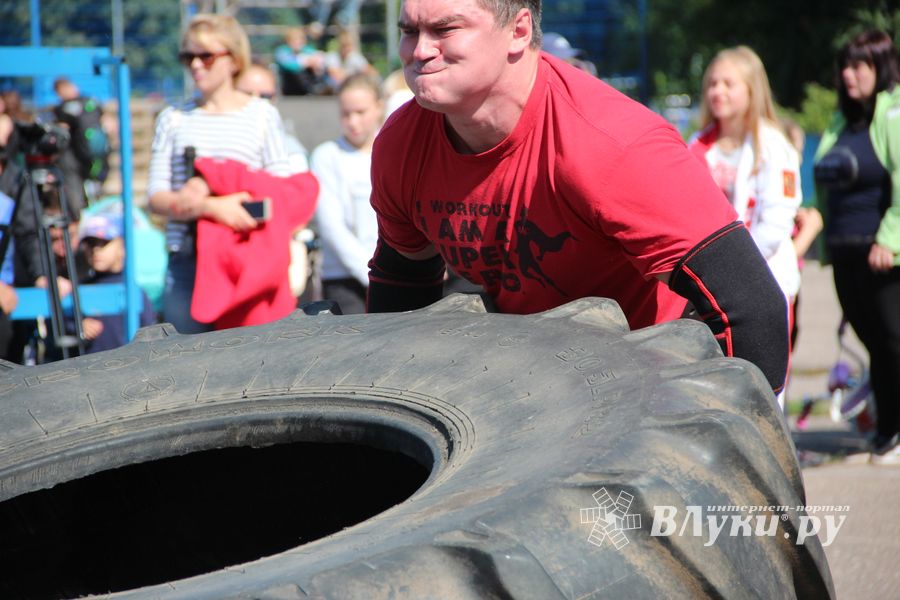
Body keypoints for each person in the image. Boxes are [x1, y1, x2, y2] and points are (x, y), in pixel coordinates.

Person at [368, 0, 789, 395]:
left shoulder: (612, 145)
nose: (419, 51)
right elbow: (398, 303)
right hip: (533, 385)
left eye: (445, 29)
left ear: (518, 31)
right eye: (409, 31)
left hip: (646, 388)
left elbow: (754, 313)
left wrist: (714, 445)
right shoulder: (401, 145)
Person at [147, 13, 294, 334]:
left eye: (206, 56)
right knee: (185, 368)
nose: (196, 65)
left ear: (233, 59)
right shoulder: (173, 118)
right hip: (187, 260)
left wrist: (217, 189)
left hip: (245, 258)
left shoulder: (261, 116)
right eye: (187, 56)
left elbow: (283, 192)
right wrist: (210, 208)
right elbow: (156, 198)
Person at [813, 30, 900, 464]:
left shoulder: (894, 113)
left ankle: (892, 433)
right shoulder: (841, 120)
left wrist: (890, 238)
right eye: (844, 66)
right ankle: (887, 430)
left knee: (893, 342)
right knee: (875, 345)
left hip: (884, 257)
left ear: (880, 67)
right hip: (845, 255)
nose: (849, 75)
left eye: (859, 66)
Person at [690, 46, 802, 308]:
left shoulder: (774, 145)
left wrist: (734, 270)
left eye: (728, 84)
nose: (718, 92)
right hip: (711, 285)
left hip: (766, 280)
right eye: (713, 84)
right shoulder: (697, 144)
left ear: (752, 90)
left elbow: (776, 223)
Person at [310, 73, 383, 314]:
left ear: (378, 109)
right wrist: (371, 273)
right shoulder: (326, 156)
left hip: (393, 275)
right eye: (345, 113)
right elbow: (332, 228)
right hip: (344, 280)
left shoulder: (392, 151)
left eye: (360, 112)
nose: (353, 122)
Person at [74, 210, 156, 354]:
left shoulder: (133, 290)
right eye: (91, 244)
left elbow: (150, 328)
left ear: (122, 246)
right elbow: (64, 322)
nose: (96, 250)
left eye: (104, 242)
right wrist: (79, 326)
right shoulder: (80, 288)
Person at [236, 61, 310, 171]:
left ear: (274, 98)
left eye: (264, 96)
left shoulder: (290, 150)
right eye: (247, 94)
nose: (256, 102)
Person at [52, 77, 111, 201]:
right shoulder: (92, 102)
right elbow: (108, 123)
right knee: (95, 187)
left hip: (77, 157)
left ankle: (81, 213)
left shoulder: (63, 108)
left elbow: (61, 130)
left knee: (76, 189)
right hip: (98, 155)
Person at [273, 26, 328, 96]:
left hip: (307, 79)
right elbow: (290, 66)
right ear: (288, 41)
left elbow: (320, 58)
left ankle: (318, 88)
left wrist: (314, 62)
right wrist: (306, 62)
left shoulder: (307, 50)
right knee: (297, 72)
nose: (297, 43)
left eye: (300, 40)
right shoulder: (282, 51)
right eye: (294, 40)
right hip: (289, 83)